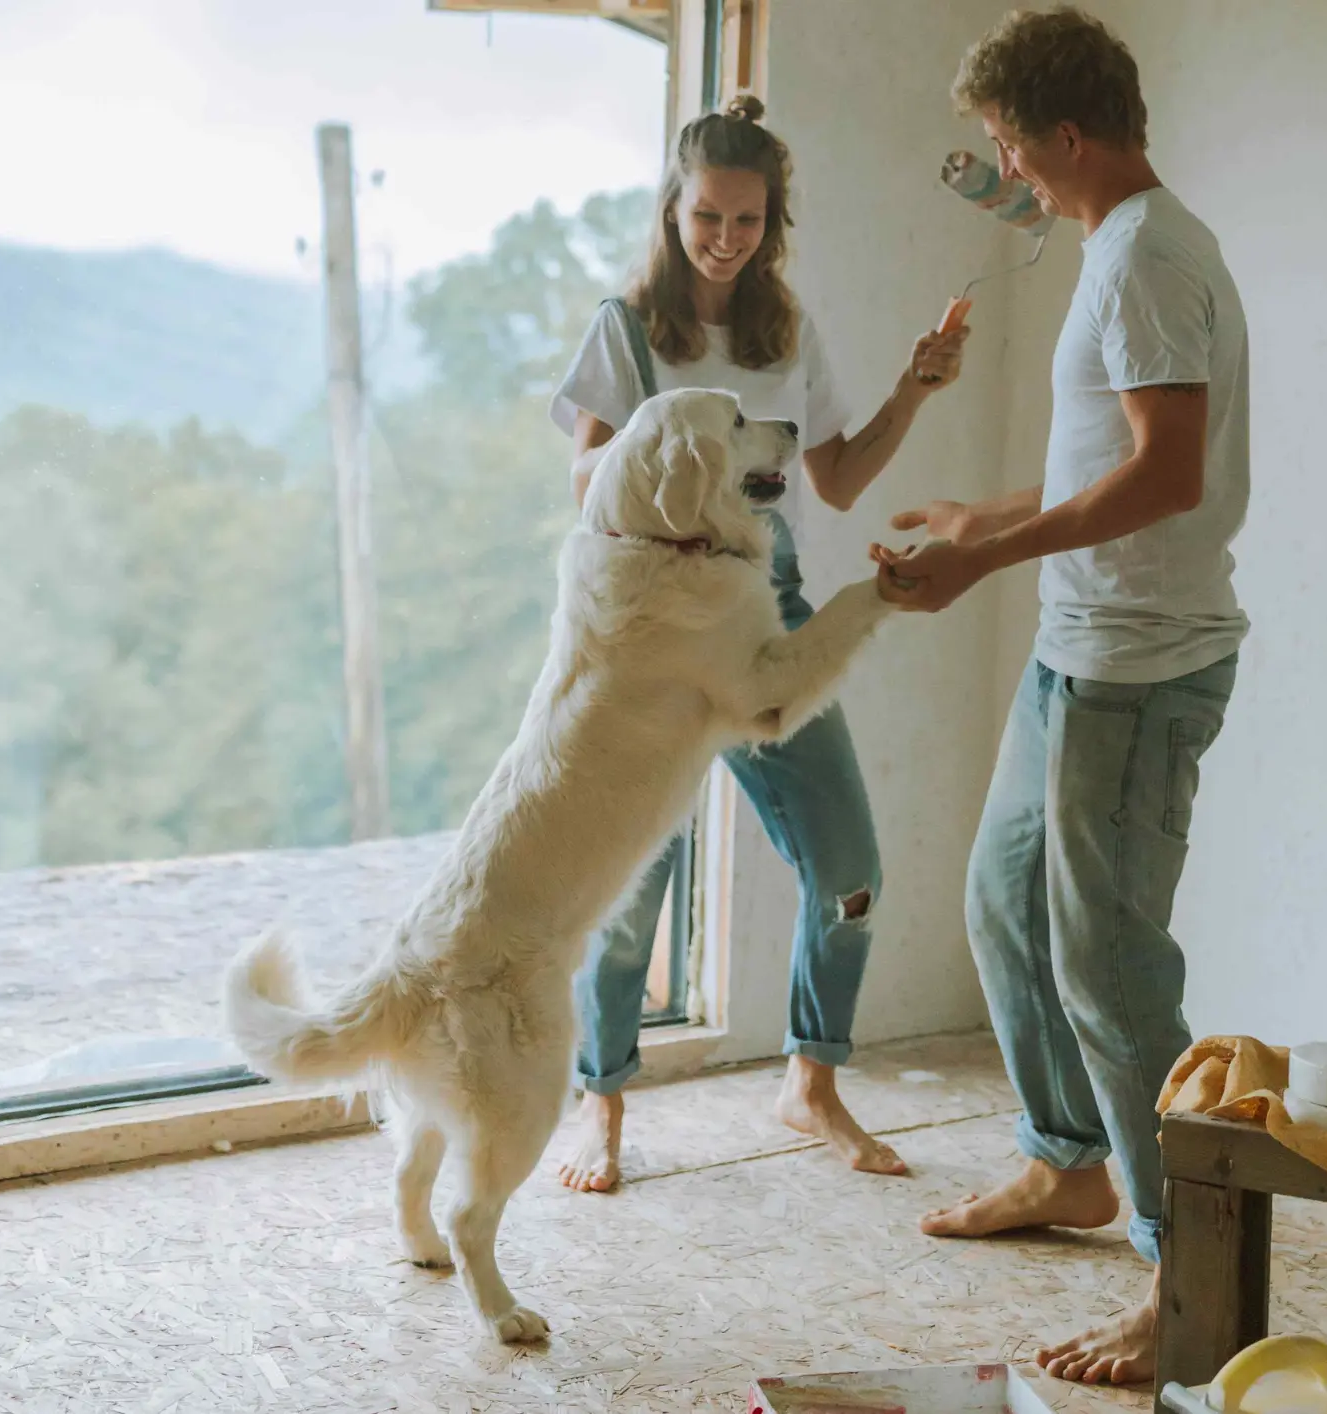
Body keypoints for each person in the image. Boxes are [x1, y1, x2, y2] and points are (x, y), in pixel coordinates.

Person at [872, 7, 1251, 1387]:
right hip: (1077, 649)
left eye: (1009, 144)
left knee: (1112, 970)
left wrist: (982, 562)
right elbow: (1113, 458)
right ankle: (1067, 1160)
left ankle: (1189, 1273)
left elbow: (1169, 475)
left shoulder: (1147, 254)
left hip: (1137, 669)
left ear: (1068, 134)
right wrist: (988, 515)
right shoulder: (1120, 245)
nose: (1007, 168)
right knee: (1000, 898)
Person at [548, 95, 970, 1194]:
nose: (726, 238)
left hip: (765, 610)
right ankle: (601, 1102)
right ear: (673, 210)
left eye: (747, 219)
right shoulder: (625, 328)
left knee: (850, 872)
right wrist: (667, 447)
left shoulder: (786, 331)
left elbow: (838, 480)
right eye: (707, 217)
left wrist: (914, 391)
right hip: (652, 625)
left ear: (770, 221)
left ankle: (810, 1084)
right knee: (628, 888)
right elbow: (585, 482)